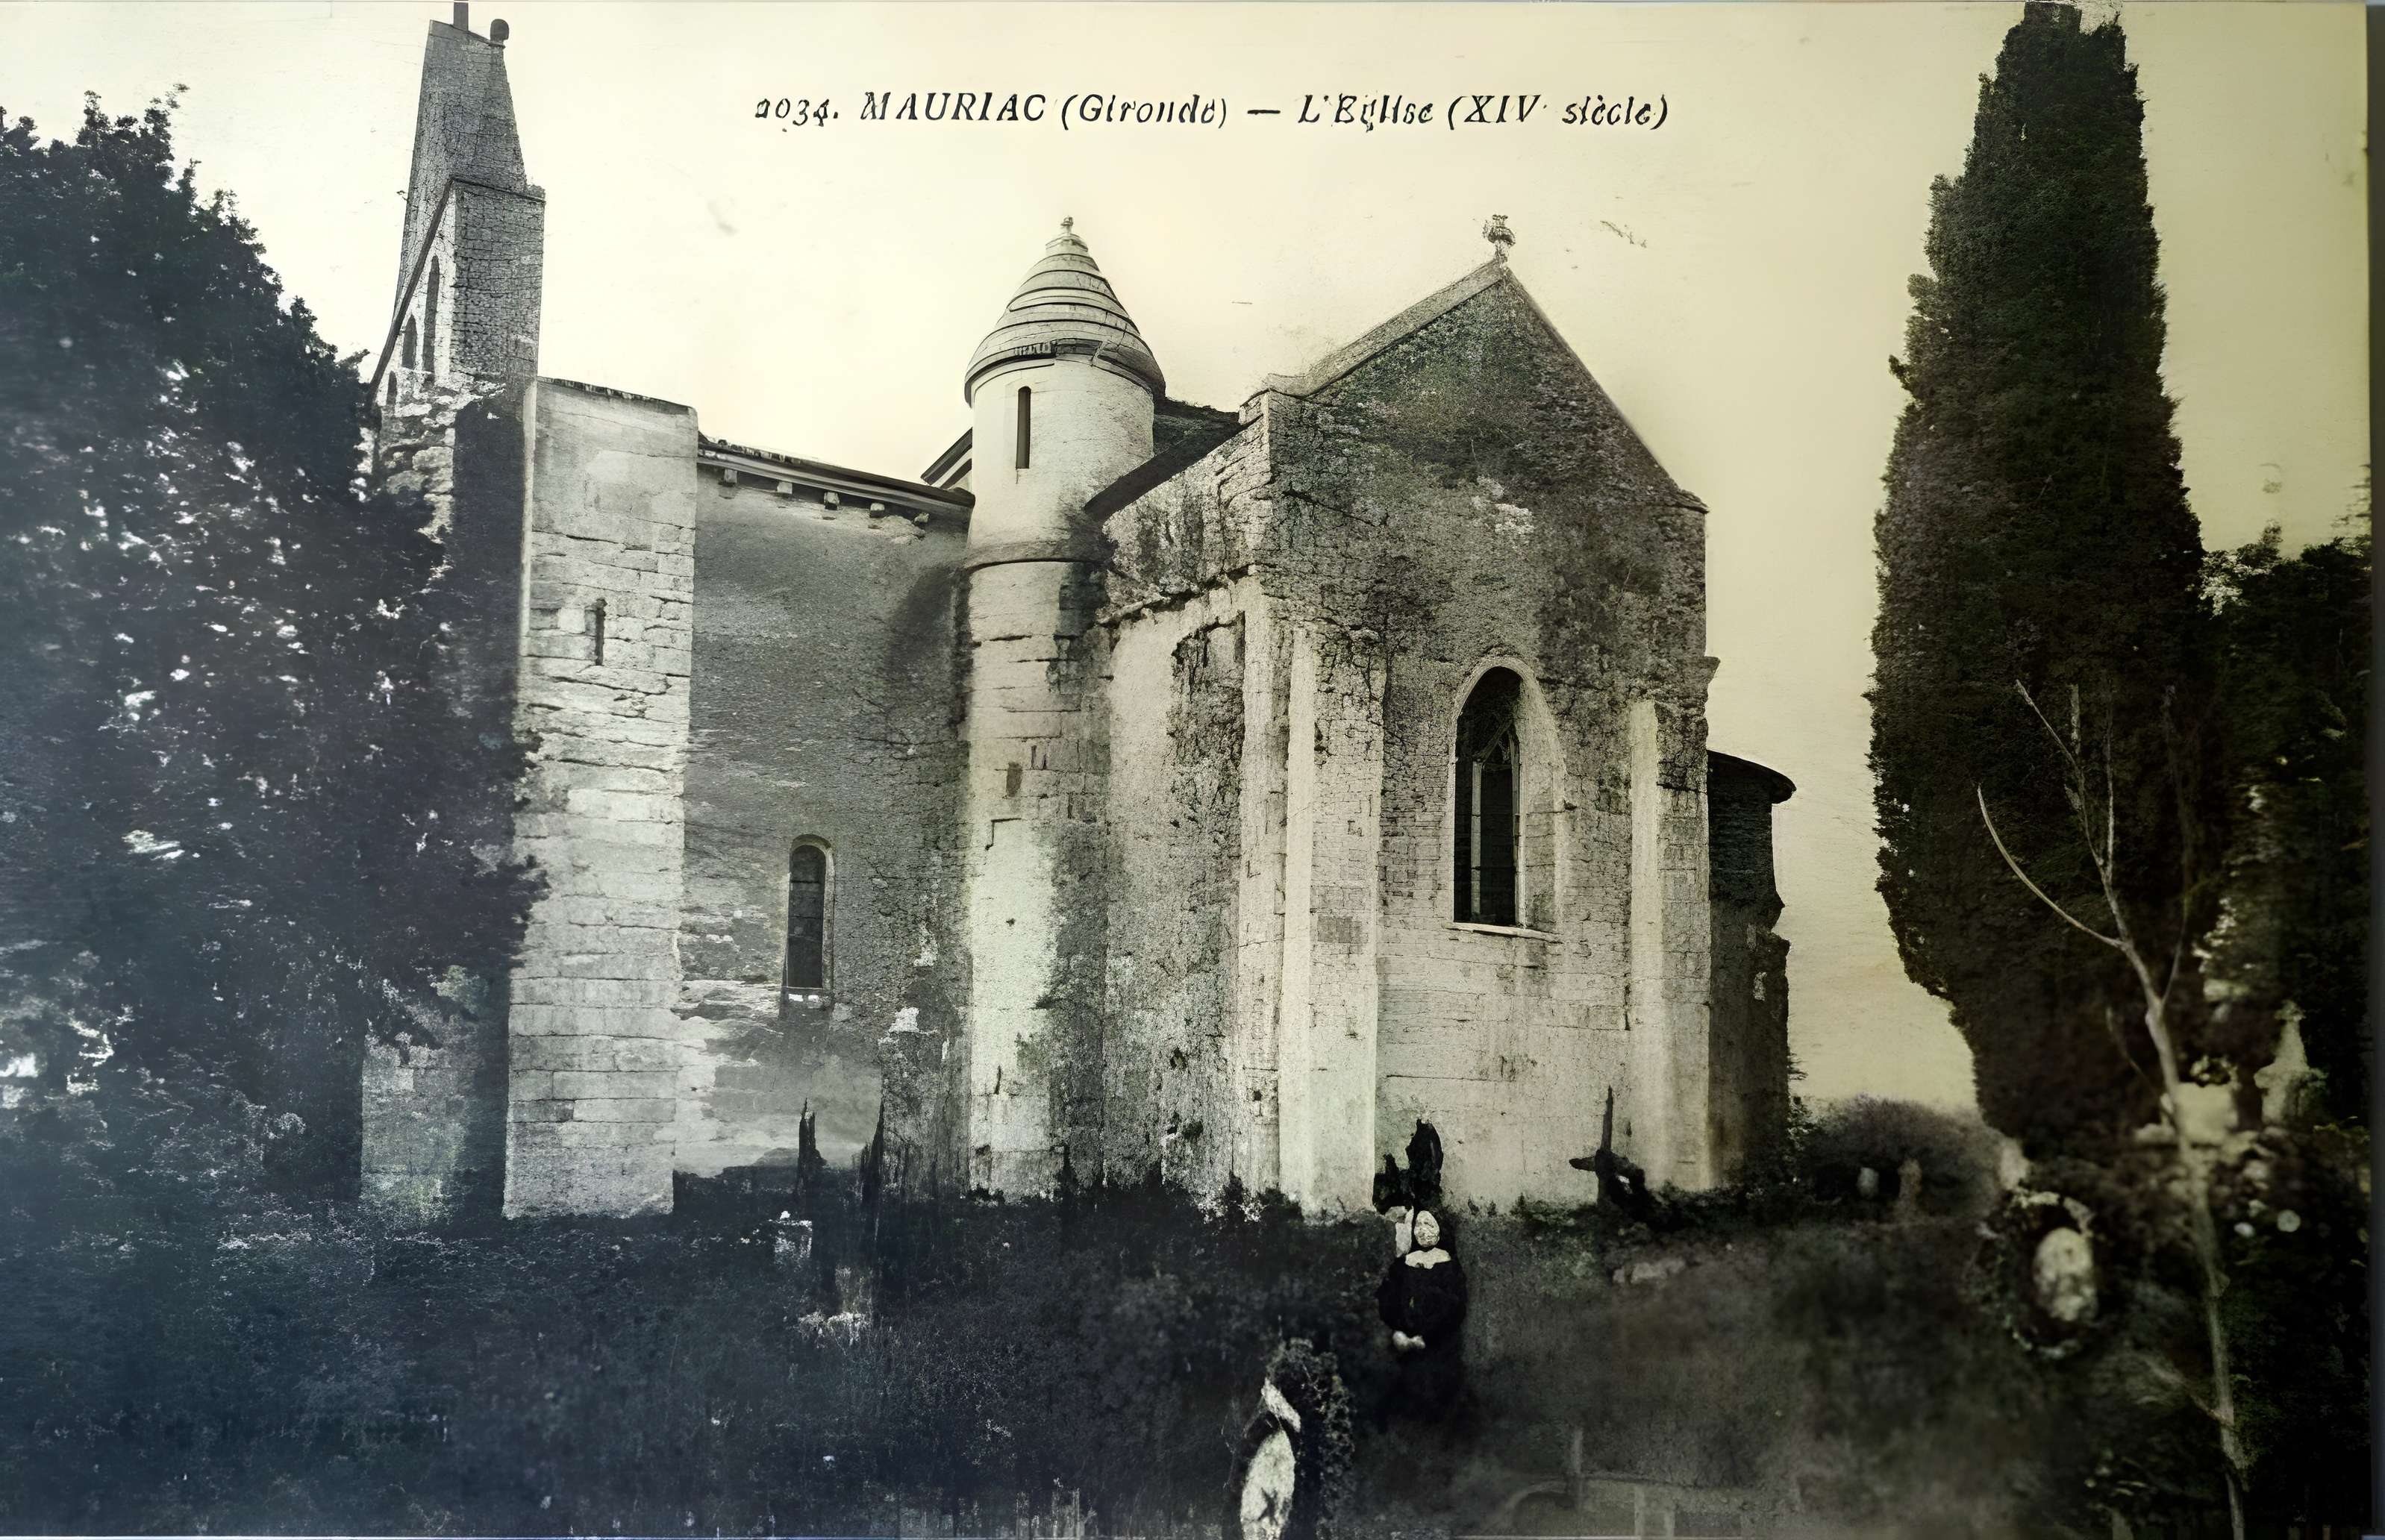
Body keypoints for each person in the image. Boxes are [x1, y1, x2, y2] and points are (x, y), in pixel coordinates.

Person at [1375, 1208, 1468, 1424]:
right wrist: (1398, 1332)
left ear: (1440, 1230)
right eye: (1419, 1225)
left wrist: (1427, 1338)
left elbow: (1455, 1308)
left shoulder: (1450, 1266)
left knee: (1438, 1401)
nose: (1424, 1230)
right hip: (1404, 1345)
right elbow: (1389, 1300)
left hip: (1439, 1345)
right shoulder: (1403, 1265)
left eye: (1429, 1225)